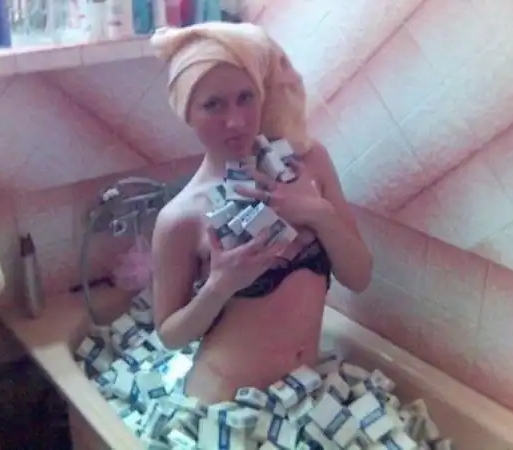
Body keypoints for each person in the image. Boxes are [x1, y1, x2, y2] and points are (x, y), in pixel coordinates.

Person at [150, 22, 373, 403]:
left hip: (305, 395)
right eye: (213, 105)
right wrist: (220, 286)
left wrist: (317, 212)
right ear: (187, 113)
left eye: (246, 97)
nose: (236, 121)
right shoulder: (181, 216)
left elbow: (360, 277)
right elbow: (170, 336)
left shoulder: (310, 164)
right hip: (228, 404)